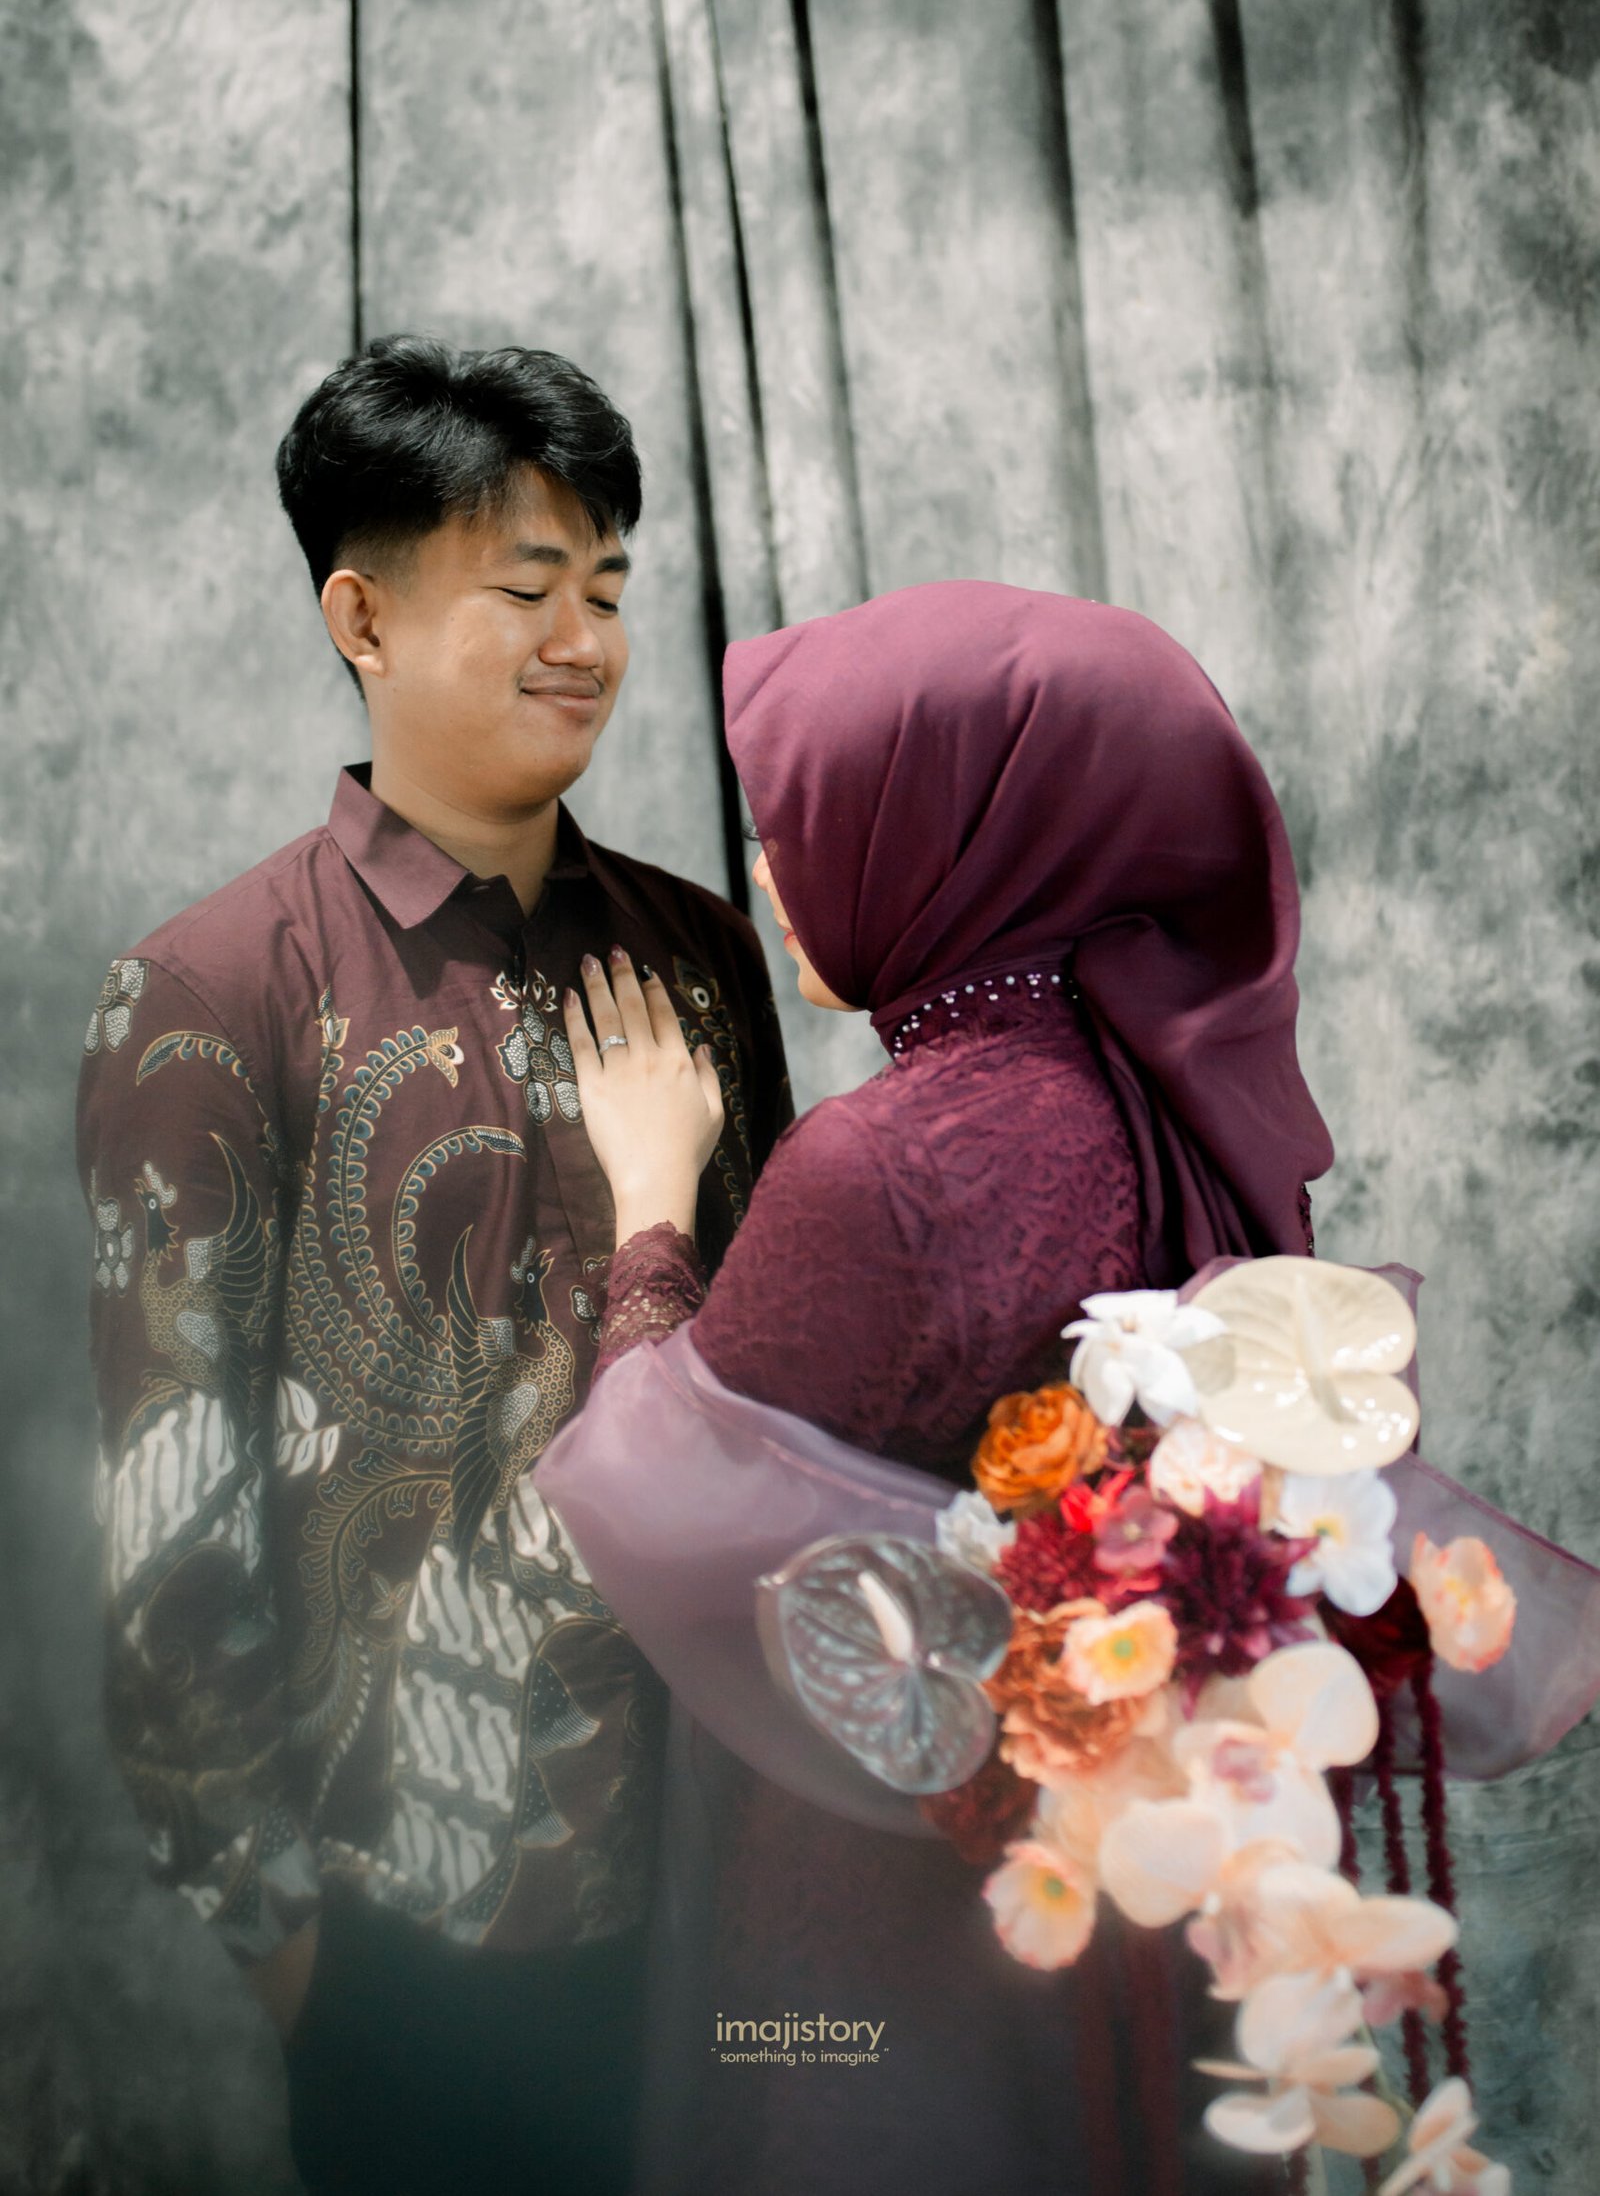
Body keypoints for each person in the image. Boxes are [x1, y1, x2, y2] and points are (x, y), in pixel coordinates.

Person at [75, 334, 792, 2196]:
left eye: (608, 591)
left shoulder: (702, 955)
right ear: (363, 618)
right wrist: (282, 1935)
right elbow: (172, 1509)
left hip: (728, 1863)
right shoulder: (213, 987)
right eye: (527, 588)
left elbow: (773, 1382)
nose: (584, 640)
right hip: (411, 1918)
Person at [537, 578, 1335, 2196]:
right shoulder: (1166, 1103)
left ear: (952, 843)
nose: (769, 874)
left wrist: (648, 1203)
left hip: (886, 1908)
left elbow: (657, 1492)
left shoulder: (884, 1164)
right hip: (1129, 1880)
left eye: (808, 823)